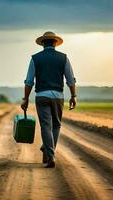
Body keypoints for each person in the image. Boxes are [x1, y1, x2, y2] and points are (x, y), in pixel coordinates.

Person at [21, 31, 77, 168]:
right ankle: (49, 151)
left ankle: (49, 154)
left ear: (42, 44)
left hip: (41, 96)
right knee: (56, 125)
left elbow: (29, 82)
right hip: (58, 96)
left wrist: (26, 99)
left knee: (46, 126)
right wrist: (73, 96)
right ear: (55, 43)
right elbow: (70, 79)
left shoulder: (35, 58)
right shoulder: (63, 58)